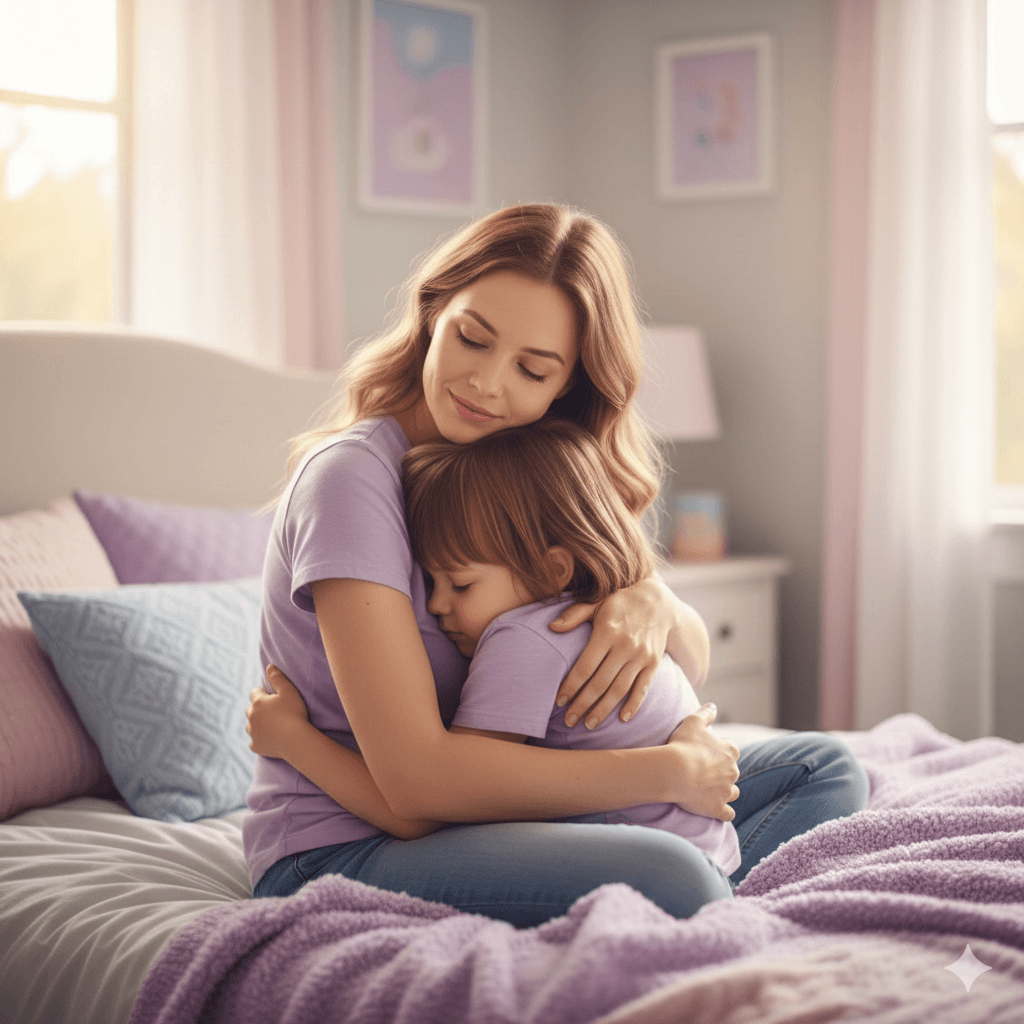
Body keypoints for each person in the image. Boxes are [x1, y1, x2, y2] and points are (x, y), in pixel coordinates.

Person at [243, 202, 868, 928]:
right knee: (672, 878)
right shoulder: (352, 481)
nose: (485, 383)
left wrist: (651, 603)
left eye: (531, 369)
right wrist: (665, 774)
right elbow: (415, 786)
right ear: (433, 313)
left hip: (486, 818)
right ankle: (698, 899)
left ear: (564, 387)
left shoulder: (522, 471)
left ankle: (686, 891)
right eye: (472, 339)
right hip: (349, 844)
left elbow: (686, 664)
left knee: (822, 772)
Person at [252, 418, 743, 900]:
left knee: (813, 765)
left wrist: (655, 600)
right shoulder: (349, 479)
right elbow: (437, 797)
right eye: (428, 583)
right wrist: (677, 772)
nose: (435, 605)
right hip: (336, 850)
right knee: (684, 875)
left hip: (666, 824)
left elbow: (432, 809)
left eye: (459, 585)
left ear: (553, 568)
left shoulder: (524, 635)